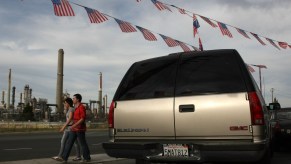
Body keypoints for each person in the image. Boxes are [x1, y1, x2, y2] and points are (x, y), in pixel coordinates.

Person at [59, 94, 91, 162]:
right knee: (69, 142)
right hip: (74, 129)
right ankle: (64, 158)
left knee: (83, 144)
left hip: (80, 129)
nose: (72, 99)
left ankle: (87, 158)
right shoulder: (75, 108)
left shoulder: (81, 107)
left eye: (74, 98)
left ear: (78, 99)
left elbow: (82, 119)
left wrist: (74, 125)